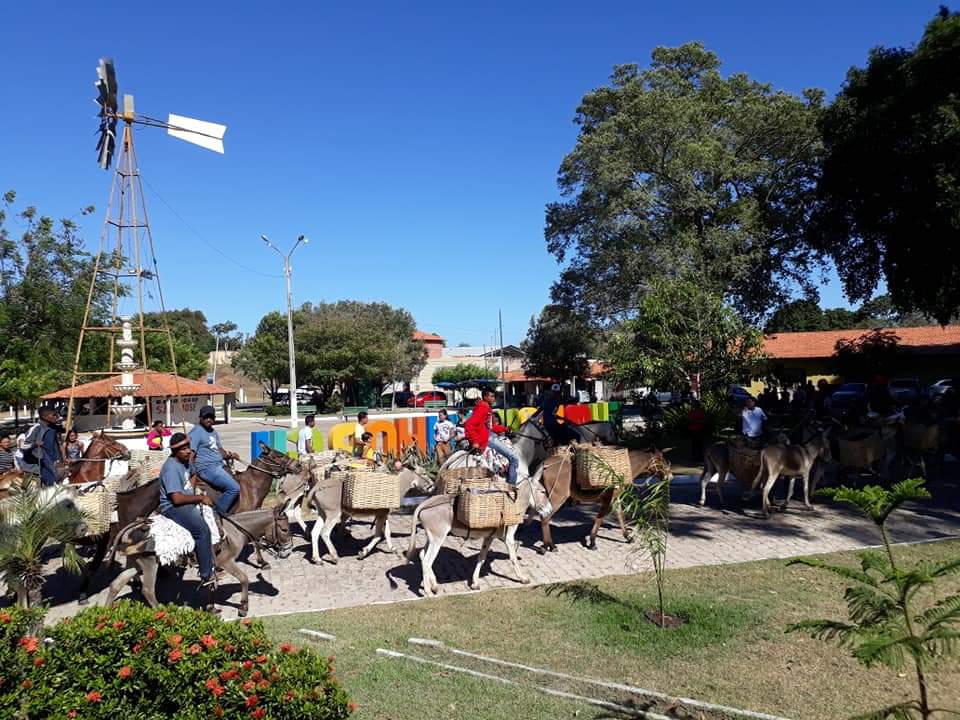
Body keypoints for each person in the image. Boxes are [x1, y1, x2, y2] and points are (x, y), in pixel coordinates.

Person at [159, 433, 216, 592]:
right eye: (183, 449)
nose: (188, 451)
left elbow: (193, 473)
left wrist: (191, 489)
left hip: (186, 498)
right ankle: (206, 573)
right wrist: (198, 498)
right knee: (202, 531)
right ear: (175, 451)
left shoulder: (186, 461)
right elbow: (176, 499)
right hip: (172, 507)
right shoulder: (171, 468)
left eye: (188, 448)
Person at [187, 406, 240, 515]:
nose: (209, 420)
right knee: (234, 488)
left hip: (219, 465)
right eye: (206, 417)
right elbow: (190, 455)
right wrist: (191, 473)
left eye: (211, 417)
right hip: (207, 468)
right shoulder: (196, 432)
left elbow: (219, 450)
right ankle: (218, 514)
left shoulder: (213, 432)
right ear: (200, 418)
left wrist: (230, 455)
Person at [464, 388, 519, 485]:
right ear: (485, 397)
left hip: (490, 436)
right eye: (492, 396)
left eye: (494, 396)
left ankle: (504, 472)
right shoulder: (483, 408)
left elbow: (491, 427)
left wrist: (505, 429)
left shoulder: (487, 408)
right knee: (514, 458)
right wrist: (475, 441)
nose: (494, 399)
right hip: (487, 439)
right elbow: (469, 424)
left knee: (508, 443)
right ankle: (511, 485)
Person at [26, 406, 65, 486]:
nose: (57, 416)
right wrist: (35, 444)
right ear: (44, 417)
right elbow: (24, 445)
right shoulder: (36, 428)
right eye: (54, 415)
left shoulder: (54, 428)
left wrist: (62, 459)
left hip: (55, 462)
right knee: (51, 485)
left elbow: (57, 445)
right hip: (42, 464)